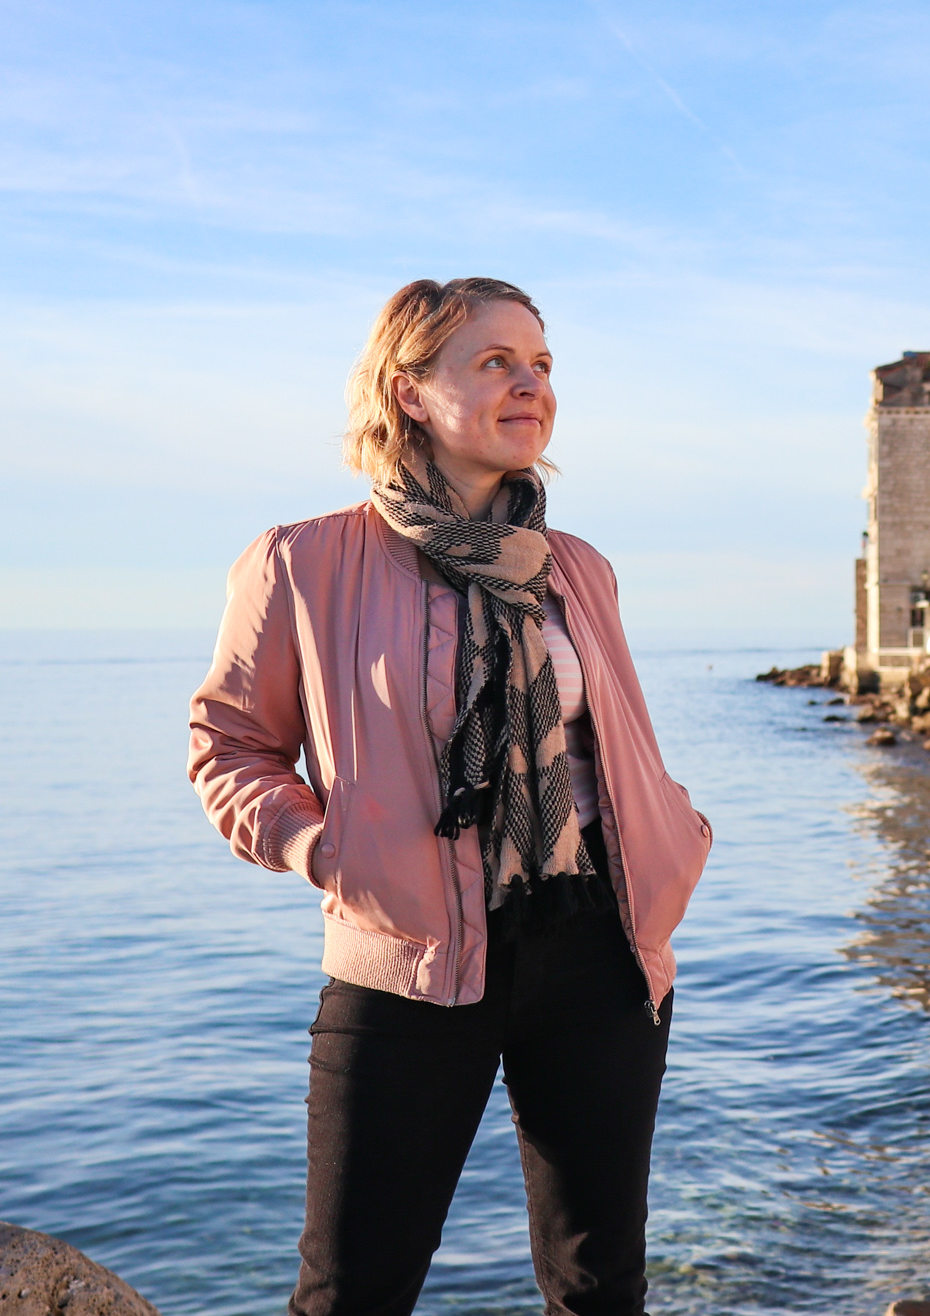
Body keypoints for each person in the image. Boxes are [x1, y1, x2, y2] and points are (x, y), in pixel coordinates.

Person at [187, 277, 712, 1315]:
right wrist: (323, 851)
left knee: (602, 1286)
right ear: (411, 392)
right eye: (496, 363)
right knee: (352, 1293)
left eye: (543, 363)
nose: (532, 385)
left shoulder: (578, 568)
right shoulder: (303, 563)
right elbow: (229, 747)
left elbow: (618, 745)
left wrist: (678, 835)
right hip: (407, 963)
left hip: (599, 945)